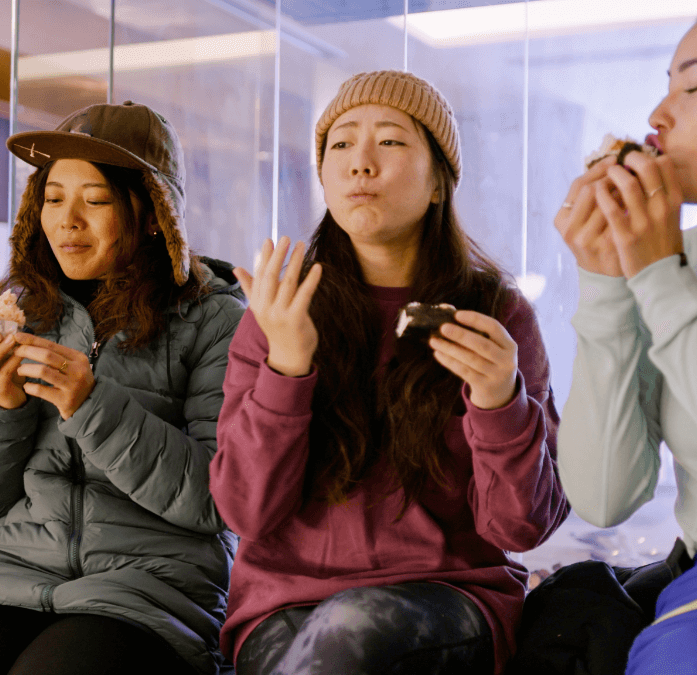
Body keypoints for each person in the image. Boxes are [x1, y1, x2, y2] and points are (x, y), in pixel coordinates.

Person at [210, 70, 568, 675]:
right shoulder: (282, 313)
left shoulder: (496, 314)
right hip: (285, 604)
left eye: (393, 142)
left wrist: (498, 400)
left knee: (349, 629)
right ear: (324, 175)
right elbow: (245, 515)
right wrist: (288, 366)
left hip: (449, 596)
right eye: (342, 145)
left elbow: (521, 525)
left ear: (438, 184)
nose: (361, 164)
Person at [0, 101, 245, 675]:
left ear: (154, 214)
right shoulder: (23, 313)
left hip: (147, 592)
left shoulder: (215, 320)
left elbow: (218, 501)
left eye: (96, 200)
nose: (67, 220)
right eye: (53, 198)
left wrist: (90, 403)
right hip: (2, 574)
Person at [555, 10, 697, 674]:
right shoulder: (678, 260)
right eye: (666, 84)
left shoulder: (670, 269)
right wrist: (609, 286)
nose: (657, 112)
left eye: (694, 88)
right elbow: (606, 494)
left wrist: (657, 278)